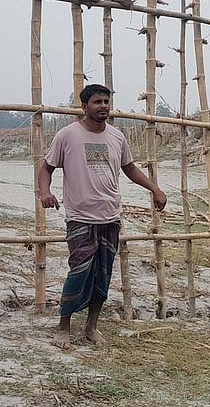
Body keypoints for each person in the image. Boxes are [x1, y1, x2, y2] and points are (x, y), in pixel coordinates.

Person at [38, 84, 167, 348]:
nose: (103, 107)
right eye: (97, 102)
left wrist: (154, 188)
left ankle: (91, 326)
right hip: (80, 217)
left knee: (103, 274)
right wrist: (44, 192)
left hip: (110, 216)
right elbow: (47, 167)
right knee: (79, 271)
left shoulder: (117, 137)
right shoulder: (67, 135)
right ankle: (63, 327)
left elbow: (129, 168)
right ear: (84, 106)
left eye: (106, 102)